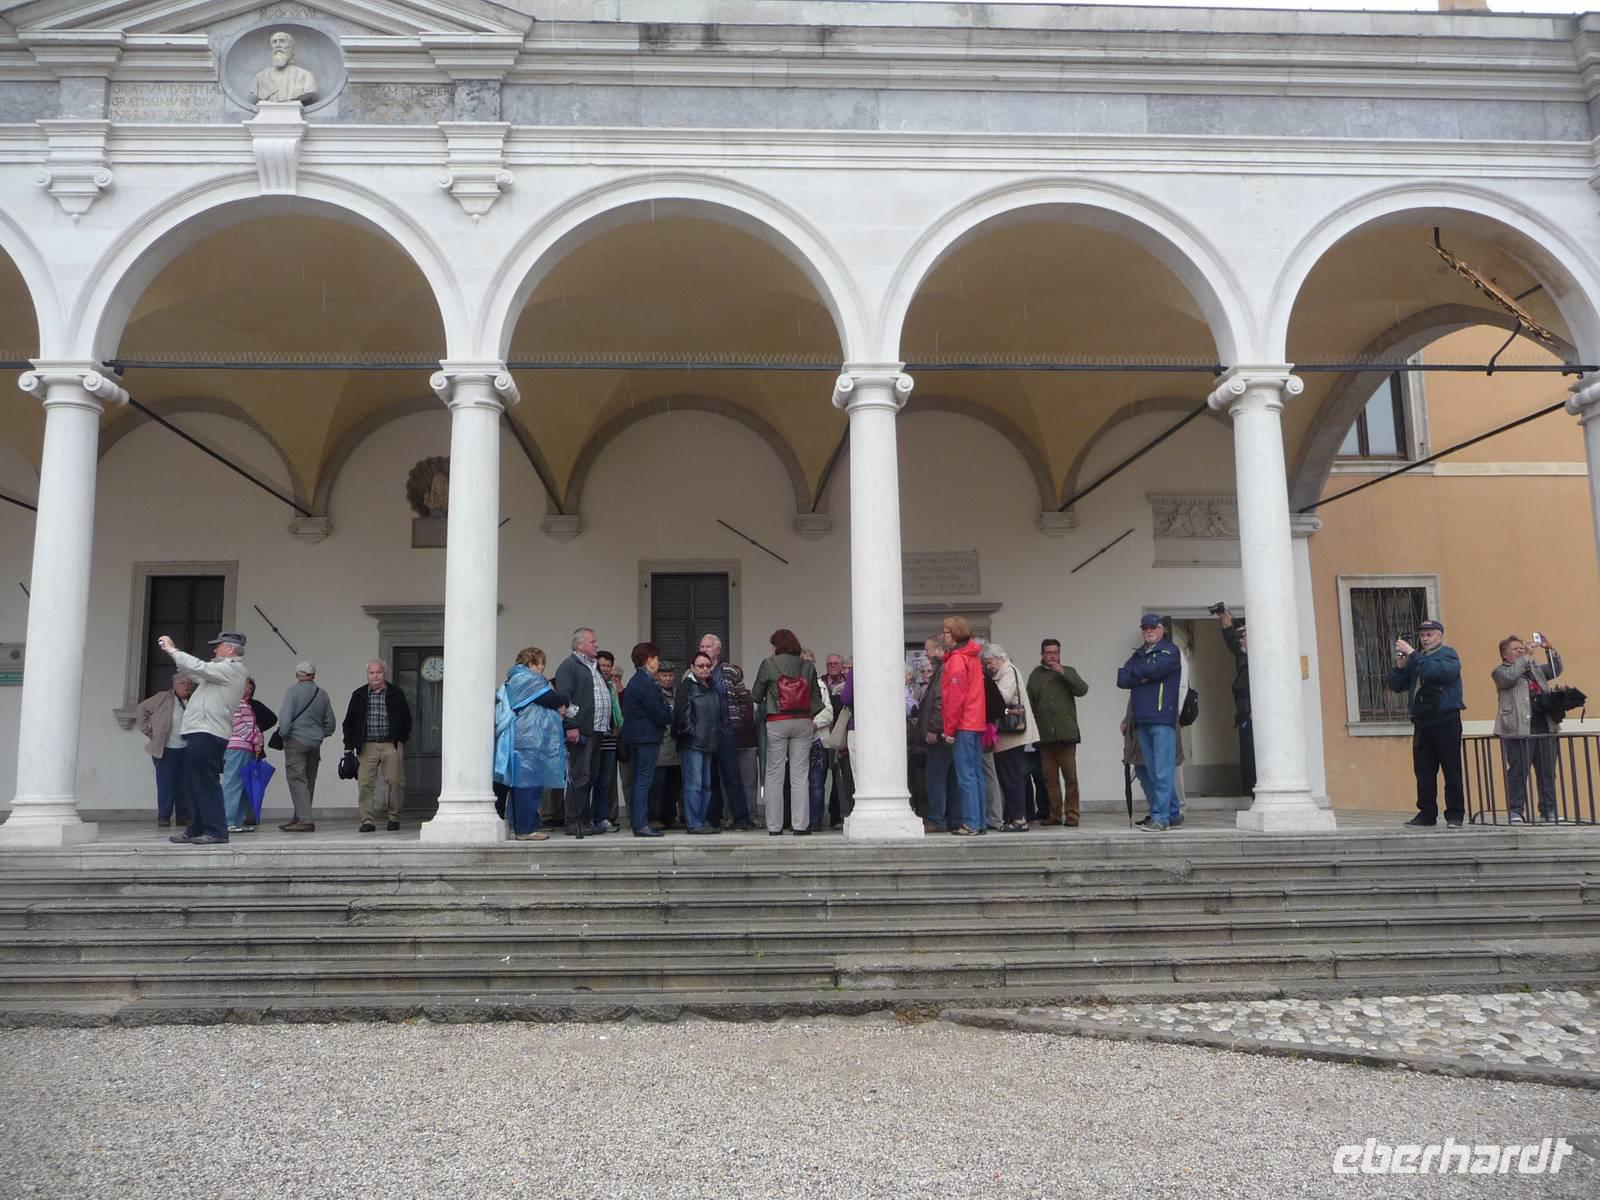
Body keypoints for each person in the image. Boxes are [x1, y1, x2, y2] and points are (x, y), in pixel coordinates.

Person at [160, 630, 249, 846]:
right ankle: (196, 828)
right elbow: (195, 672)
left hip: (209, 731)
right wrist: (177, 659)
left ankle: (217, 830)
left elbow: (200, 668)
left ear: (229, 649)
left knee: (205, 782)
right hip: (201, 731)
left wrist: (173, 650)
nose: (214, 649)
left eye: (218, 645)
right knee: (192, 783)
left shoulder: (232, 669)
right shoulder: (220, 673)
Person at [1385, 618, 1466, 828]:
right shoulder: (1417, 659)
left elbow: (1436, 673)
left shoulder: (1448, 655)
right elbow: (1396, 685)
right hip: (1422, 722)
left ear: (1439, 636)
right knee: (1424, 771)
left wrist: (1413, 654)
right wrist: (1401, 667)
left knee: (1451, 770)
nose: (1425, 638)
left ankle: (1455, 815)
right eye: (1422, 635)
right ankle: (1427, 813)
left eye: (1429, 634)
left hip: (1445, 720)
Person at [751, 628, 822, 836]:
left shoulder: (768, 664)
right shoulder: (807, 666)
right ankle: (800, 825)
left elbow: (756, 695)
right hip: (803, 722)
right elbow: (816, 697)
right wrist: (808, 714)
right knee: (800, 774)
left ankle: (774, 826)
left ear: (777, 645)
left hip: (777, 721)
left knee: (774, 774)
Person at [493, 647, 569, 842]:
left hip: (517, 740)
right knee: (528, 785)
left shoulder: (512, 679)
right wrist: (564, 699)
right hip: (527, 741)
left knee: (512, 785)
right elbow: (551, 699)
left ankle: (514, 825)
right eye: (539, 663)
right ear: (530, 663)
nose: (542, 668)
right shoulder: (527, 679)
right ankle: (526, 829)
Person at [1117, 613, 1182, 832]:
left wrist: (1140, 674)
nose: (1148, 631)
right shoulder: (1139, 654)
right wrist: (1143, 674)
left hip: (1162, 718)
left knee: (1162, 771)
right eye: (1145, 628)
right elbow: (1122, 678)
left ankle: (1161, 817)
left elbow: (1155, 670)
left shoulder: (1170, 651)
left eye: (1152, 627)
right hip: (1142, 719)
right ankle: (1171, 813)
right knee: (1154, 771)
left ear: (1162, 629)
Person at [1492, 632, 1563, 824]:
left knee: (1547, 772)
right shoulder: (1500, 671)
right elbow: (1510, 678)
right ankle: (1516, 810)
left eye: (1522, 648)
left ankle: (1549, 810)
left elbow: (1556, 670)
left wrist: (1549, 649)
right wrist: (1525, 657)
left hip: (1544, 727)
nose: (1521, 651)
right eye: (1515, 649)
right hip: (1517, 730)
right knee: (1518, 771)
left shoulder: (1534, 669)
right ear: (1505, 655)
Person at [342, 658, 412, 833]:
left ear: (384, 673)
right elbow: (348, 723)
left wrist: (401, 739)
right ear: (368, 674)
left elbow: (407, 719)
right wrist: (349, 747)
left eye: (378, 672)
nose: (375, 676)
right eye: (371, 673)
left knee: (395, 781)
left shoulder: (396, 693)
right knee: (365, 783)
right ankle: (367, 821)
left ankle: (394, 817)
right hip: (367, 745)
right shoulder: (359, 695)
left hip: (391, 744)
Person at [553, 627, 611, 837]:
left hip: (597, 730)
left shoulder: (592, 666)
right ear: (580, 645)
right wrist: (571, 725)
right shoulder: (569, 667)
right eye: (592, 641)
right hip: (582, 731)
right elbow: (564, 698)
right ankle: (574, 821)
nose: (596, 644)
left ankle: (585, 818)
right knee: (580, 775)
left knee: (591, 776)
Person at [1026, 638, 1089, 827]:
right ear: (1042, 654)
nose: (1052, 655)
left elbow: (1082, 689)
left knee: (1070, 776)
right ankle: (1054, 814)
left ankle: (1072, 814)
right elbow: (1030, 701)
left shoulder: (1068, 671)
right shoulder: (1035, 675)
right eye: (1048, 652)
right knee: (1049, 777)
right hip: (1045, 734)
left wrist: (1062, 672)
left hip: (1065, 733)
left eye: (1055, 652)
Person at [698, 633, 756, 830]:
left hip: (726, 730)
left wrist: (736, 720)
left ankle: (741, 818)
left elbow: (743, 698)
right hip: (706, 732)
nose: (704, 649)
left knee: (733, 776)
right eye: (702, 646)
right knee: (710, 778)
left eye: (707, 646)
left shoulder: (729, 670)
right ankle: (713, 819)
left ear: (717, 650)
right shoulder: (696, 671)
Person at [939, 616, 988, 836]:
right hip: (975, 722)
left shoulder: (957, 660)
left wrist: (949, 729)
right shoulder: (972, 657)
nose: (943, 635)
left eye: (946, 631)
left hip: (964, 724)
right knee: (975, 774)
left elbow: (954, 698)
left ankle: (971, 823)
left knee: (966, 775)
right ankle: (980, 821)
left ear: (955, 633)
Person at [276, 660, 336, 833]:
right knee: (308, 781)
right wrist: (321, 734)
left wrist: (283, 735)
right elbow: (330, 723)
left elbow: (285, 719)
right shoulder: (322, 694)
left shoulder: (292, 691)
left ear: (297, 675)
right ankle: (299, 817)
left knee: (296, 780)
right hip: (315, 743)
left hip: (296, 741)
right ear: (314, 675)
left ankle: (305, 820)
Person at [982, 643, 1037, 831]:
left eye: (990, 662)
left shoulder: (1008, 671)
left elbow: (1002, 698)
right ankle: (1013, 816)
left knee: (1012, 776)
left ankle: (1019, 818)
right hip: (1006, 736)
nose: (989, 666)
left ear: (1000, 658)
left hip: (1013, 735)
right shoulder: (1001, 673)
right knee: (1007, 776)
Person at [621, 642, 673, 838]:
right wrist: (669, 715)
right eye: (656, 658)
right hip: (647, 737)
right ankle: (641, 823)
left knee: (639, 780)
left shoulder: (636, 680)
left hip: (637, 736)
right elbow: (657, 710)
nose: (658, 662)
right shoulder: (646, 682)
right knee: (644, 780)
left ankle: (639, 821)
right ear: (649, 660)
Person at [674, 651, 724, 835]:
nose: (704, 669)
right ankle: (694, 823)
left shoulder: (712, 687)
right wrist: (693, 733)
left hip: (709, 742)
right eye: (700, 666)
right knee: (693, 784)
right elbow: (682, 715)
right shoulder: (687, 687)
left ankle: (702, 821)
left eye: (707, 666)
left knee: (706, 785)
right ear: (692, 667)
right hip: (692, 744)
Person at [135, 675, 195, 828]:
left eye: (189, 684)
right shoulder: (163, 697)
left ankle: (183, 816)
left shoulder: (194, 700)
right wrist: (149, 731)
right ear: (174, 684)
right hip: (165, 748)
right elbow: (142, 708)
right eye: (182, 683)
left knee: (184, 784)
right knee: (166, 783)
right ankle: (164, 816)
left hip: (186, 748)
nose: (186, 686)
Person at [914, 637, 955, 833]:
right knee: (948, 777)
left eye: (927, 649)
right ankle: (952, 818)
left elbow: (940, 701)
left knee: (935, 777)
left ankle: (937, 819)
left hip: (939, 734)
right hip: (944, 733)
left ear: (939, 649)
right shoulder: (941, 669)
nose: (926, 653)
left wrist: (933, 728)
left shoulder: (942, 670)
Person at [1216, 606, 1255, 797]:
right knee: (1249, 758)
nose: (1240, 639)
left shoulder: (1263, 659)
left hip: (1256, 718)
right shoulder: (1245, 655)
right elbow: (1233, 642)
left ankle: (1257, 794)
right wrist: (1226, 621)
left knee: (1255, 759)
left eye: (1244, 635)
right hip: (1245, 717)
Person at [220, 679, 267, 833]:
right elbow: (238, 725)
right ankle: (227, 820)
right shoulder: (234, 703)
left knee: (245, 785)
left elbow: (253, 726)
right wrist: (255, 738)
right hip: (236, 748)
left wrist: (259, 739)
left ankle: (237, 821)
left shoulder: (245, 704)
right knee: (233, 783)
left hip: (248, 748)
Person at [590, 650, 624, 833]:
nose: (605, 669)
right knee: (588, 780)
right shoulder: (590, 684)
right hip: (593, 737)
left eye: (608, 665)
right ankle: (584, 817)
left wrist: (619, 724)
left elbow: (617, 708)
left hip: (610, 738)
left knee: (605, 781)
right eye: (602, 665)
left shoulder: (611, 686)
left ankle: (601, 818)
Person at [723, 662, 762, 822]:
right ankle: (730, 816)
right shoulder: (722, 695)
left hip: (747, 744)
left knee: (749, 783)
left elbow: (752, 721)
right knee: (728, 782)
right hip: (727, 744)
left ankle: (752, 815)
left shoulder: (750, 696)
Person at [649, 661, 682, 829]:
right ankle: (654, 816)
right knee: (657, 786)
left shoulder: (678, 693)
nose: (668, 678)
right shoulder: (655, 693)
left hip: (676, 747)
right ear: (657, 676)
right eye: (664, 675)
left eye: (670, 675)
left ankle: (669, 816)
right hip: (661, 747)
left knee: (673, 786)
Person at [252, 30, 318, 104]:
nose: (278, 45)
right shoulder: (260, 77)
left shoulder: (305, 76)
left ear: (291, 48)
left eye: (282, 41)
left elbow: (310, 91)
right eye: (274, 42)